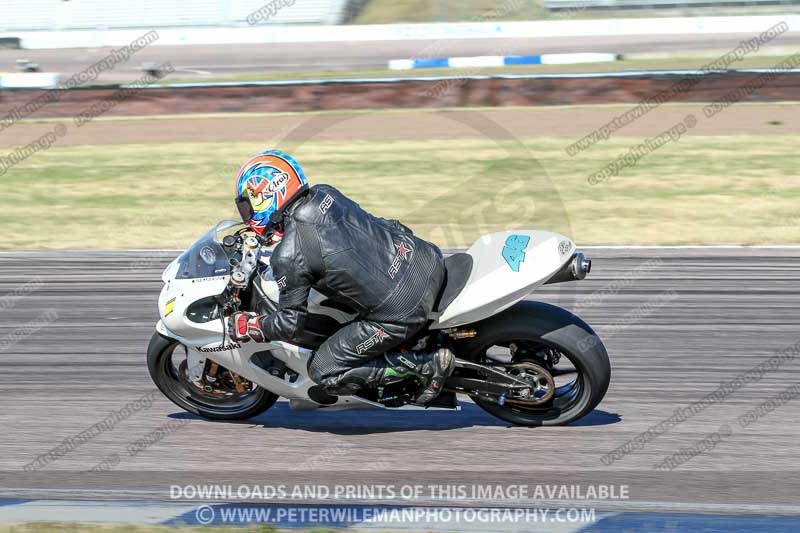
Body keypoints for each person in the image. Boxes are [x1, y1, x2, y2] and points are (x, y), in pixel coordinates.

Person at [227, 150, 454, 404]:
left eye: (247, 205)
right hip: (426, 257)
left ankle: (424, 365)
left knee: (324, 370)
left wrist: (251, 325)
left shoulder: (288, 256)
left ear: (266, 197)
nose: (246, 215)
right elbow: (384, 224)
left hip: (403, 308)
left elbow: (290, 325)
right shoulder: (325, 193)